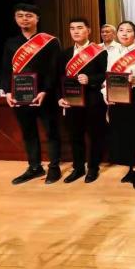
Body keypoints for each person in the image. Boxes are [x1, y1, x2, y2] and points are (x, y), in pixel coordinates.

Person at [0, 3, 62, 185]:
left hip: (45, 95)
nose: (24, 19)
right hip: (20, 95)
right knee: (28, 132)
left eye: (29, 15)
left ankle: (54, 167)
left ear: (37, 19)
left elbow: (54, 70)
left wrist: (45, 90)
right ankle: (34, 167)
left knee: (51, 132)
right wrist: (7, 92)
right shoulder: (10, 43)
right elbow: (5, 69)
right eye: (20, 16)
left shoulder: (50, 41)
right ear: (15, 19)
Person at [103, 21, 135, 190]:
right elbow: (106, 77)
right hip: (117, 97)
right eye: (121, 30)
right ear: (117, 34)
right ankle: (130, 168)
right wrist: (106, 94)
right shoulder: (110, 53)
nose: (124, 33)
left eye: (129, 31)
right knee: (122, 134)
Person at [57, 17, 108, 183]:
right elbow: (59, 78)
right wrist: (60, 97)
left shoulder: (100, 51)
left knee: (95, 136)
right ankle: (78, 168)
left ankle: (93, 168)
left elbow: (106, 75)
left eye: (80, 28)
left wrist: (90, 79)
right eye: (72, 28)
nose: (76, 31)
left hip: (93, 101)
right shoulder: (65, 54)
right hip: (72, 101)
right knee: (75, 136)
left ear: (88, 30)